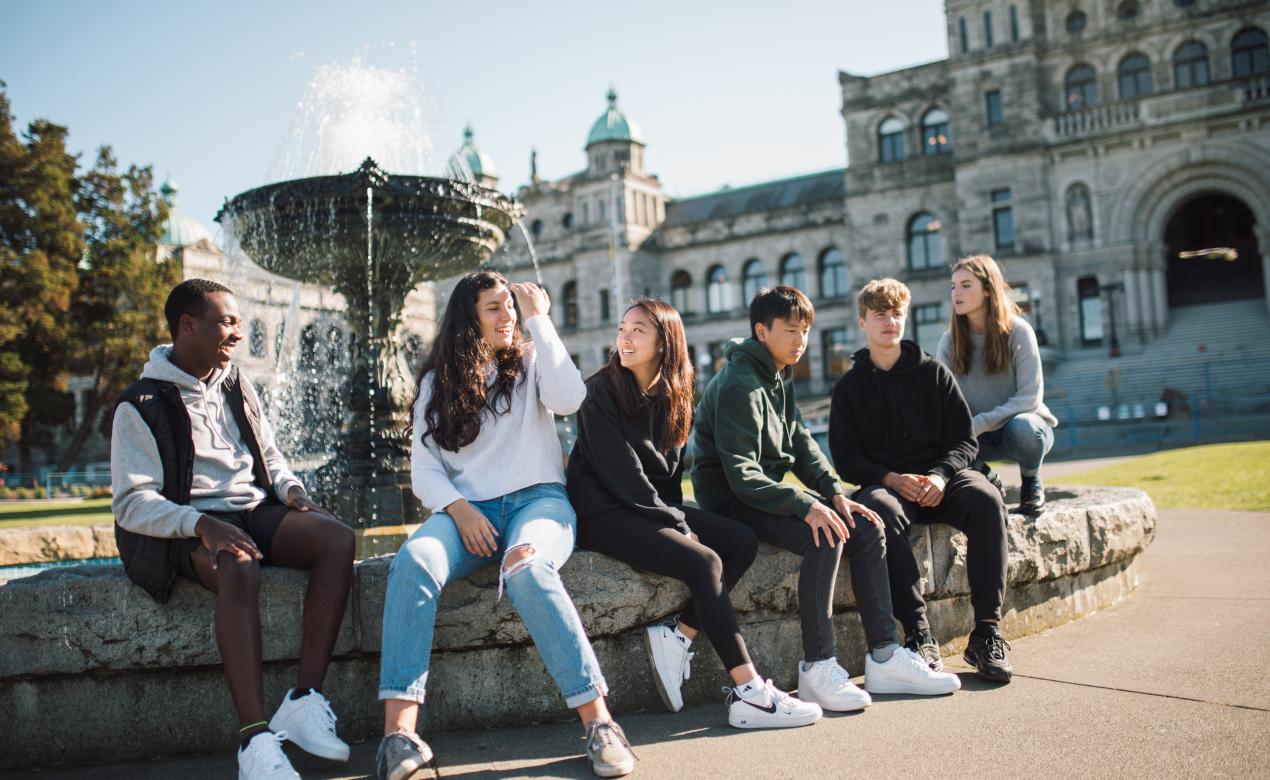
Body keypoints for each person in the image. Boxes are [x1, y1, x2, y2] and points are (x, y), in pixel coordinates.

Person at [376, 271, 634, 780]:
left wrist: (539, 319)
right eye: (495, 307)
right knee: (413, 562)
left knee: (527, 566)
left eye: (510, 306)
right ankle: (399, 737)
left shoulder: (534, 357)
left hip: (539, 502)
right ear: (468, 319)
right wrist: (458, 508)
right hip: (465, 512)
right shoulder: (436, 382)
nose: (507, 315)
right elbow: (425, 469)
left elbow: (568, 400)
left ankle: (600, 723)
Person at [111, 279, 356, 780]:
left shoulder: (236, 383)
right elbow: (131, 503)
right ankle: (255, 741)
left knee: (337, 538)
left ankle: (304, 700)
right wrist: (199, 523)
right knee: (238, 566)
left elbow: (270, 457)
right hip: (184, 526)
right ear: (188, 325)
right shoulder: (139, 404)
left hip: (252, 510)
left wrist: (291, 491)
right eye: (227, 321)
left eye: (239, 322)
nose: (237, 333)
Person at [692, 286, 961, 708]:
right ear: (762, 331)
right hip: (731, 499)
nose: (801, 340)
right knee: (825, 534)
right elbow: (742, 475)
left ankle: (885, 657)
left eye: (805, 331)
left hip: (764, 491)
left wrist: (834, 494)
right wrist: (806, 505)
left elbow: (801, 443)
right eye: (792, 330)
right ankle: (817, 667)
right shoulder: (739, 385)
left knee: (866, 525)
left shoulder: (779, 373)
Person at [568, 298, 822, 729]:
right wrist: (680, 527)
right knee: (704, 560)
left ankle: (679, 633)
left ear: (665, 342)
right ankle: (749, 692)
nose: (625, 338)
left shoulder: (677, 393)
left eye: (638, 330)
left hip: (646, 506)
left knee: (740, 539)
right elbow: (624, 478)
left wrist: (678, 519)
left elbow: (667, 481)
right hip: (601, 513)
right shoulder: (598, 393)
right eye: (623, 328)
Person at [829, 278, 1014, 683]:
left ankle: (987, 632)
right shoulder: (849, 388)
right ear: (863, 322)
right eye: (880, 314)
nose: (889, 321)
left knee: (986, 499)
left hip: (939, 479)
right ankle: (917, 633)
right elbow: (845, 459)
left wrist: (940, 475)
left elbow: (965, 441)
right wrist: (890, 478)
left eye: (896, 313)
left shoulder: (934, 373)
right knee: (879, 510)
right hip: (888, 484)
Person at [938, 255, 1058, 514]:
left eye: (966, 285)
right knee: (936, 434)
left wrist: (977, 424)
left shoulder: (1019, 331)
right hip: (977, 439)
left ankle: (1031, 481)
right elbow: (941, 402)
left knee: (1024, 428)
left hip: (1021, 431)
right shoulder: (950, 341)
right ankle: (985, 476)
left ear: (988, 290)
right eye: (953, 286)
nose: (956, 293)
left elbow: (1029, 399)